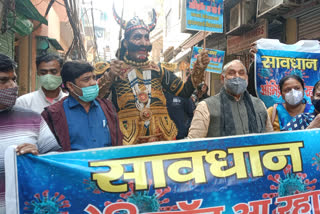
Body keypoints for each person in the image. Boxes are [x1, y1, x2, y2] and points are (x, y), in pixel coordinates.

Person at [97, 6, 210, 145]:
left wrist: (199, 67)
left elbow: (184, 92)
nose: (144, 43)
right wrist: (109, 77)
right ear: (126, 43)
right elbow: (95, 98)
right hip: (127, 138)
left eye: (146, 37)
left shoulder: (158, 70)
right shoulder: (114, 69)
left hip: (162, 136)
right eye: (137, 37)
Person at [0, 54, 61, 213]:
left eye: (14, 79)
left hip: (27, 208)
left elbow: (55, 160)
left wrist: (37, 157)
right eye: (3, 80)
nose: (12, 85)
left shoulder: (32, 118)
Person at [42, 61, 123, 151]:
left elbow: (117, 142)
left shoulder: (108, 108)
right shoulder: (53, 114)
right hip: (73, 164)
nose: (93, 83)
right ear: (70, 86)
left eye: (93, 78)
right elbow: (47, 150)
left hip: (107, 164)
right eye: (86, 79)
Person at [188, 59, 273, 138]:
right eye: (231, 73)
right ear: (222, 78)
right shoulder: (205, 107)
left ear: (246, 78)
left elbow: (271, 139)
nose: (237, 77)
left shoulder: (259, 104)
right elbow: (193, 144)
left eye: (241, 73)